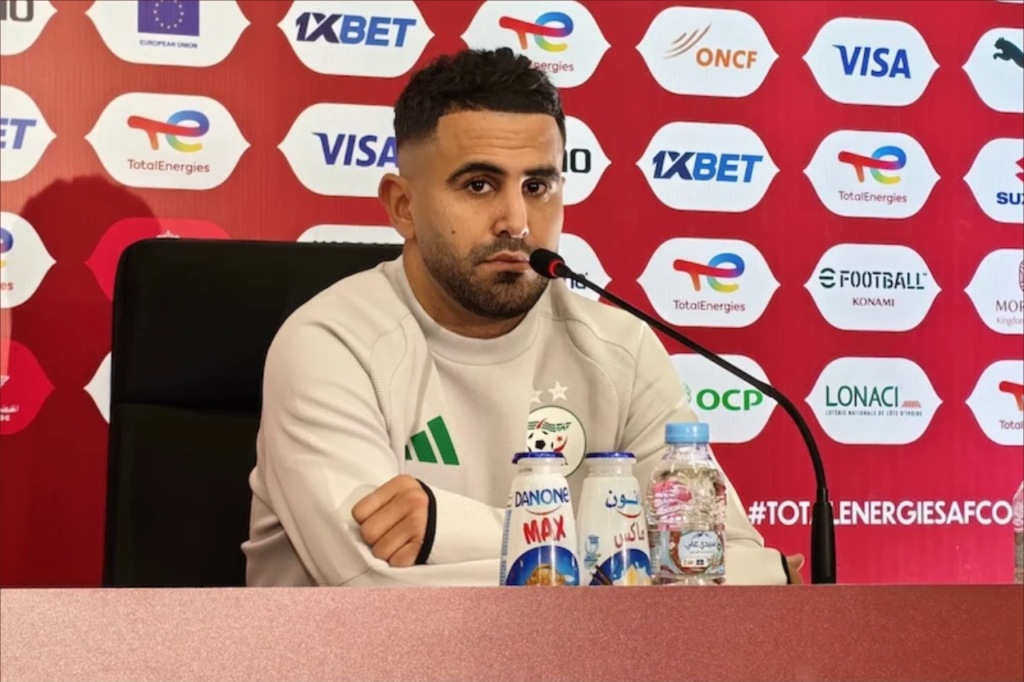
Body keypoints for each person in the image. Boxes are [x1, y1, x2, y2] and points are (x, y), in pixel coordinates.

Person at [242, 48, 802, 587]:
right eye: (479, 185)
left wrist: (443, 529)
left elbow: (732, 565)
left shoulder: (620, 347)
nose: (516, 221)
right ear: (403, 206)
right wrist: (623, 550)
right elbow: (371, 585)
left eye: (537, 187)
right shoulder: (331, 344)